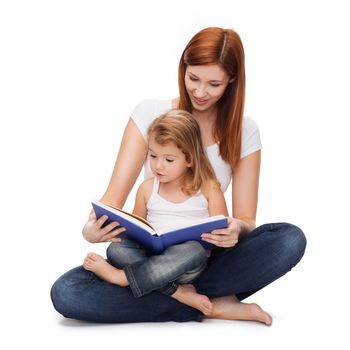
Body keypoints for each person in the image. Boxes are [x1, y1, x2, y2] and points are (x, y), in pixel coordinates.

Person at [51, 27, 306, 324]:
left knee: (288, 240)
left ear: (232, 81)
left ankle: (150, 289)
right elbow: (114, 201)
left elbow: (246, 220)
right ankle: (201, 301)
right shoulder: (150, 113)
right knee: (67, 292)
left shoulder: (245, 131)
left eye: (214, 84)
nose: (199, 92)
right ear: (182, 68)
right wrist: (90, 230)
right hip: (149, 257)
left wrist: (235, 229)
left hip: (201, 257)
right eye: (193, 78)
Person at [83, 110, 232, 317]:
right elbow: (136, 229)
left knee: (194, 250)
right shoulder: (146, 189)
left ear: (189, 159)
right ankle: (176, 292)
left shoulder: (208, 189)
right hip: (149, 258)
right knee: (116, 250)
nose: (158, 165)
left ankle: (123, 278)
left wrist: (221, 237)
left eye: (169, 160)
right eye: (153, 155)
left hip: (185, 264)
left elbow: (223, 233)